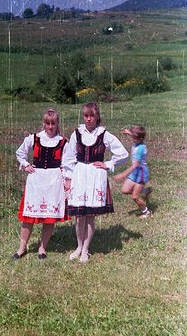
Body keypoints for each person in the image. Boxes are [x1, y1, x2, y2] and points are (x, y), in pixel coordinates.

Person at [63, 102, 128, 263]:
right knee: (79, 215)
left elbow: (123, 154)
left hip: (95, 176)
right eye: (86, 116)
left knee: (90, 215)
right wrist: (68, 178)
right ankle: (78, 246)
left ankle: (86, 249)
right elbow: (68, 157)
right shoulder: (77, 133)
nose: (89, 119)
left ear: (97, 116)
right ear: (83, 116)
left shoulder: (104, 134)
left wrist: (108, 164)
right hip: (80, 174)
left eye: (92, 115)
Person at [13, 108, 68, 260]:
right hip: (36, 180)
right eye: (47, 123)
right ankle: (21, 248)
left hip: (53, 180)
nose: (50, 127)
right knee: (28, 217)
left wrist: (66, 180)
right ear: (43, 123)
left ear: (57, 124)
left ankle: (42, 248)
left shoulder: (63, 141)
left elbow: (67, 162)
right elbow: (20, 153)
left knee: (49, 217)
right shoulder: (34, 138)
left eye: (53, 124)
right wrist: (25, 164)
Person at [114, 125, 151, 219]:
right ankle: (144, 191)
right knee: (125, 190)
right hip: (135, 171)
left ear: (140, 139)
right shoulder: (138, 140)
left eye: (134, 138)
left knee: (135, 196)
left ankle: (146, 212)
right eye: (132, 137)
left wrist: (123, 175)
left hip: (141, 173)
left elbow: (135, 165)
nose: (132, 139)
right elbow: (135, 135)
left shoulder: (141, 149)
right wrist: (128, 132)